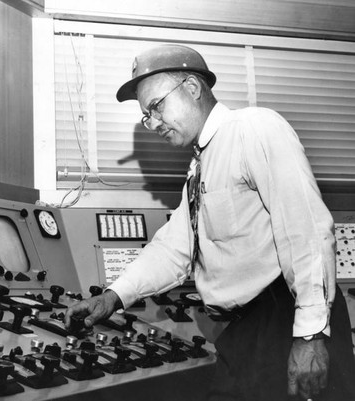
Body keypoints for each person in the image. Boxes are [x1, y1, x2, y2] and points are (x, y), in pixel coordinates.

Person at [64, 44, 355, 401]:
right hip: (246, 331)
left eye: (156, 107)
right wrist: (112, 298)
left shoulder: (255, 129)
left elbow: (305, 230)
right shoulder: (202, 164)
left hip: (282, 320)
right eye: (146, 116)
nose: (153, 123)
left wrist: (310, 335)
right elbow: (173, 250)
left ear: (192, 88)